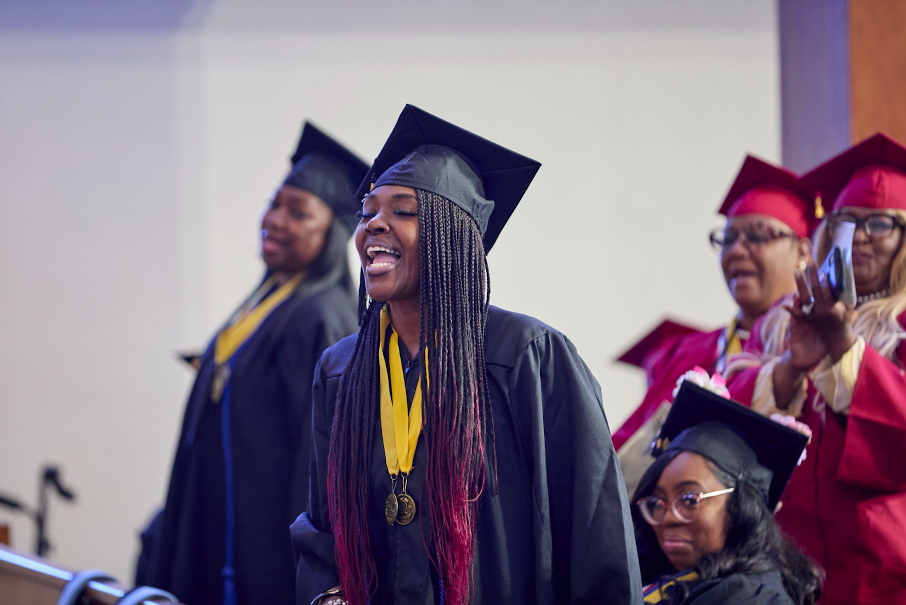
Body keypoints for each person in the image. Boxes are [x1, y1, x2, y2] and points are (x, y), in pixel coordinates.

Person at [292, 105, 642, 605]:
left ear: (454, 235)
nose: (374, 225)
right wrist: (329, 594)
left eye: (403, 211)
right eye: (367, 212)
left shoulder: (526, 357)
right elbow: (324, 521)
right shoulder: (342, 369)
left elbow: (593, 527)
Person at [137, 122, 367, 605]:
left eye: (298, 212)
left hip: (262, 548)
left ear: (331, 233)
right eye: (273, 204)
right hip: (220, 525)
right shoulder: (267, 301)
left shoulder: (322, 318)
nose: (275, 220)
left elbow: (317, 456)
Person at [730, 133, 906, 605]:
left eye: (880, 223)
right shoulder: (783, 319)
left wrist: (842, 343)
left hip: (881, 564)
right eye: (847, 220)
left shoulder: (902, 325)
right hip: (781, 554)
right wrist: (792, 365)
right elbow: (728, 421)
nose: (860, 235)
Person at [614, 156, 816, 494]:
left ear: (803, 252)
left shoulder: (819, 346)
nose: (737, 250)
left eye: (758, 236)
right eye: (728, 237)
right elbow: (628, 444)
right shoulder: (692, 351)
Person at [633, 380, 823, 605]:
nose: (668, 518)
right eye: (657, 502)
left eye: (689, 500)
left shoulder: (751, 598)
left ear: (739, 506)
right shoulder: (675, 582)